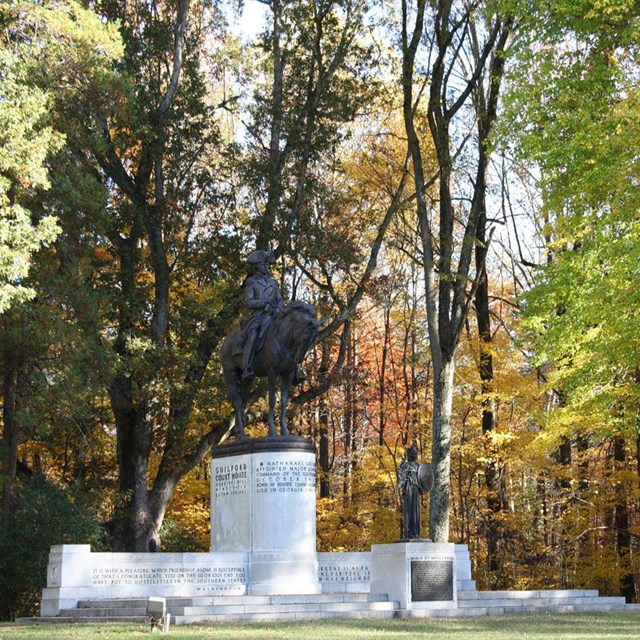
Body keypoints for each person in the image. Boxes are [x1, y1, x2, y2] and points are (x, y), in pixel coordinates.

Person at [240, 249, 284, 382]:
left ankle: (294, 369)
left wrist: (278, 308)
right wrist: (263, 302)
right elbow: (248, 302)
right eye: (263, 265)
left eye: (267, 265)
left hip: (274, 315)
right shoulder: (251, 282)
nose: (266, 267)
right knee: (252, 335)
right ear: (257, 266)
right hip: (258, 316)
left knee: (290, 332)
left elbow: (280, 300)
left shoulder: (273, 283)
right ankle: (246, 368)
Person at [397, 444, 423, 539]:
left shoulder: (419, 466)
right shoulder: (406, 465)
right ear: (410, 454)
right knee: (409, 511)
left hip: (416, 491)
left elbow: (423, 480)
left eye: (416, 453)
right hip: (409, 489)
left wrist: (422, 488)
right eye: (414, 453)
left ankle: (416, 533)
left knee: (416, 512)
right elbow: (401, 477)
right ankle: (408, 533)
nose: (415, 455)